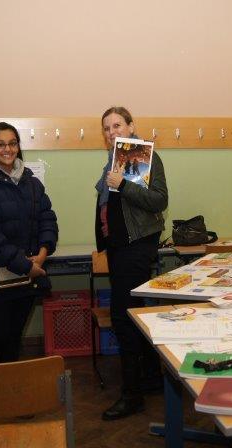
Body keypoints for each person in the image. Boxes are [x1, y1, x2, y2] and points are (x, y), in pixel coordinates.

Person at [94, 107, 168, 420]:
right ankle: (150, 378)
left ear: (131, 126)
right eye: (106, 128)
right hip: (119, 247)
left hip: (135, 247)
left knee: (123, 318)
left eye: (117, 126)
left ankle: (132, 395)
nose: (112, 132)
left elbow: (159, 200)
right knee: (134, 315)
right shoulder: (114, 160)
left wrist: (123, 184)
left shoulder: (142, 155)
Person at [0, 122, 58, 364]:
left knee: (15, 337)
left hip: (29, 277)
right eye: (0, 144)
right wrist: (26, 265)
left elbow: (47, 219)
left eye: (12, 143)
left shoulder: (32, 183)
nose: (7, 149)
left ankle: (10, 384)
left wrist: (43, 252)